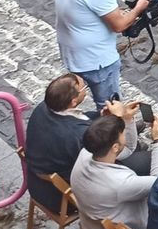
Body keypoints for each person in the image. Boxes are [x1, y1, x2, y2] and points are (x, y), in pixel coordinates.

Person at [25, 74, 150, 210]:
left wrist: (102, 117)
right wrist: (124, 119)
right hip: (64, 198)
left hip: (39, 183)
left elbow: (79, 118)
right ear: (73, 101)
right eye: (84, 87)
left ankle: (128, 134)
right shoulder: (78, 135)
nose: (86, 88)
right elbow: (124, 151)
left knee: (135, 149)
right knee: (150, 158)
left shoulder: (44, 107)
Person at [53, 0, 151, 106]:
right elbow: (119, 25)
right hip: (96, 60)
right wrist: (138, 9)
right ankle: (115, 131)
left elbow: (86, 9)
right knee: (108, 107)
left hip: (73, 54)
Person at [70, 107, 158, 229]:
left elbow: (127, 149)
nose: (124, 136)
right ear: (114, 147)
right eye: (122, 134)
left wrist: (127, 120)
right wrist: (157, 139)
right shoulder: (120, 184)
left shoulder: (86, 153)